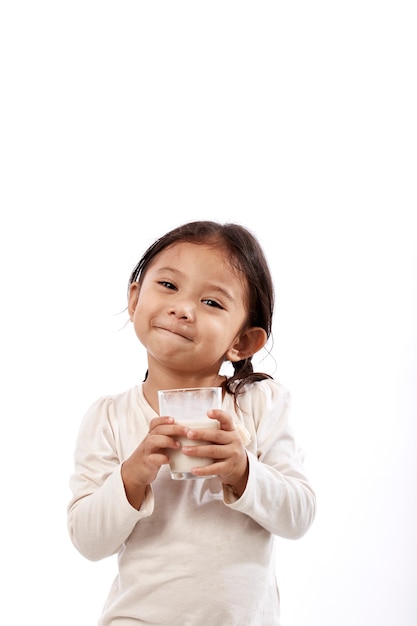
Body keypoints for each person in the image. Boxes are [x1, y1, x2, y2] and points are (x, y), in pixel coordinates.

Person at [67, 220, 316, 625]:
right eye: (168, 285)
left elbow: (299, 515)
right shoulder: (109, 417)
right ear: (135, 299)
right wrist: (131, 477)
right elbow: (88, 541)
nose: (182, 308)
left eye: (212, 303)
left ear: (242, 342)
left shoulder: (259, 404)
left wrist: (243, 471)